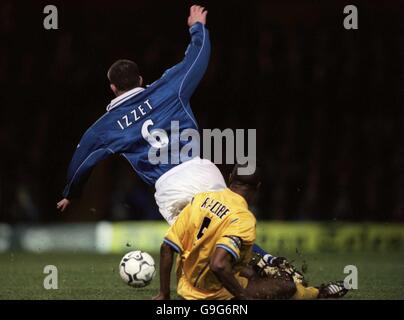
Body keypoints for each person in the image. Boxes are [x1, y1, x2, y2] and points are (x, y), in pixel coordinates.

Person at [56, 5, 276, 263]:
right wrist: (197, 27)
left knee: (204, 248)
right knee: (226, 229)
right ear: (140, 80)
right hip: (202, 170)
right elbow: (198, 57)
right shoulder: (169, 87)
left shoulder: (105, 126)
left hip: (171, 187)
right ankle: (268, 262)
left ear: (113, 88)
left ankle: (246, 275)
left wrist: (71, 192)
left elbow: (82, 158)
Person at [154, 164, 349, 300]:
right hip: (212, 294)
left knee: (250, 271)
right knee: (285, 286)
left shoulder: (201, 198)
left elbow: (166, 248)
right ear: (258, 188)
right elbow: (219, 265)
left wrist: (164, 294)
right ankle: (317, 293)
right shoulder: (244, 218)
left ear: (230, 177)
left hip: (184, 285)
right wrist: (244, 296)